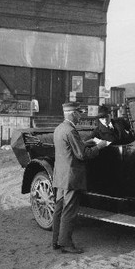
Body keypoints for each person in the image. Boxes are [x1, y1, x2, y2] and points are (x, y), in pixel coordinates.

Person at [52, 102, 109, 253]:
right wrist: (99, 146)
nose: (80, 116)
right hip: (71, 178)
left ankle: (56, 241)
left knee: (59, 209)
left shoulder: (59, 129)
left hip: (60, 177)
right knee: (69, 210)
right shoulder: (71, 131)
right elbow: (83, 155)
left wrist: (84, 143)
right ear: (72, 114)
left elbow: (69, 149)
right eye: (78, 113)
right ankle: (66, 244)